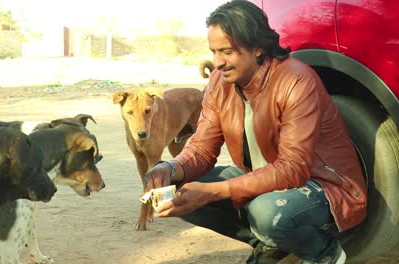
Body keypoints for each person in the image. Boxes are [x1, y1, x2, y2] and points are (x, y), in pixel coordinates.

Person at [143, 1, 367, 263]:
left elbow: (293, 169)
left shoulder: (296, 81)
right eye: (214, 52)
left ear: (258, 47)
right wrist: (168, 169)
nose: (218, 63)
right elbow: (202, 148)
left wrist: (215, 191)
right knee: (176, 188)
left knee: (266, 213)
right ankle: (268, 244)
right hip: (263, 177)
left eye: (227, 51)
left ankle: (324, 253)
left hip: (323, 185)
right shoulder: (219, 81)